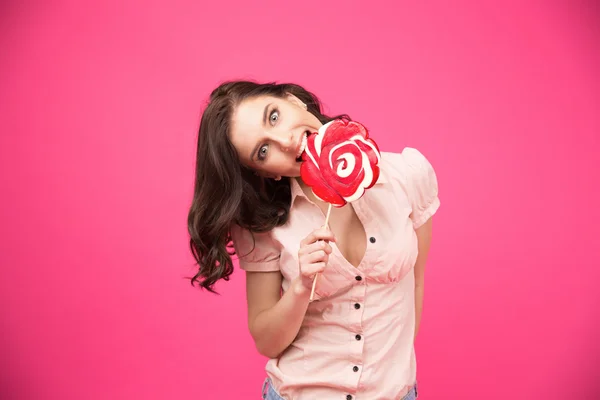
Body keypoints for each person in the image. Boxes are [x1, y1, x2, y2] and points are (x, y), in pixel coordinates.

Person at [187, 80, 440, 400]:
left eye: (274, 116)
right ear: (267, 173)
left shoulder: (407, 176)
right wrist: (302, 285)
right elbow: (266, 341)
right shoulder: (264, 224)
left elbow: (416, 282)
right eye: (263, 151)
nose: (286, 141)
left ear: (294, 100)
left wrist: (394, 376)